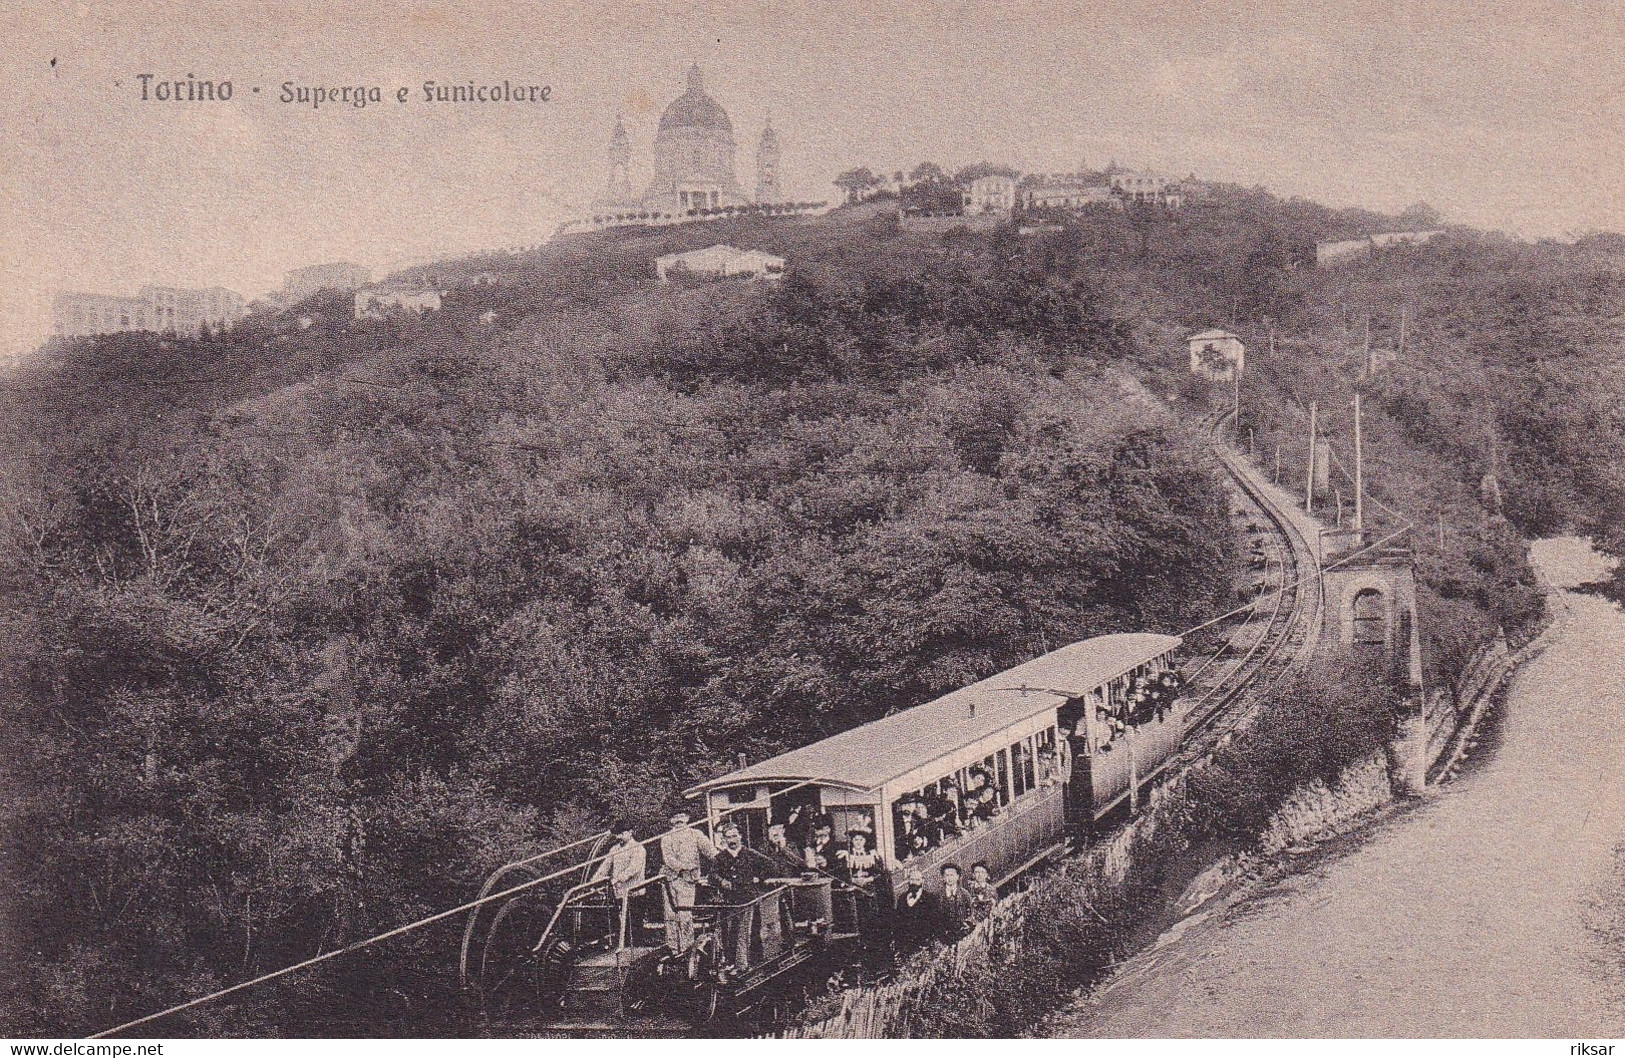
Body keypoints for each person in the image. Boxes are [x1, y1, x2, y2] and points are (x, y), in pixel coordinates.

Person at [659, 808, 716, 955]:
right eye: (675, 817)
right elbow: (669, 859)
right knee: (671, 917)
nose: (679, 820)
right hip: (670, 880)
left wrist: (725, 860)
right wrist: (684, 867)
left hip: (688, 881)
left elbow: (711, 852)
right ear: (671, 821)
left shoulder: (696, 835)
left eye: (681, 816)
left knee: (685, 915)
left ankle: (687, 949)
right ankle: (673, 949)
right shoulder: (666, 838)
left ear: (687, 817)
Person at [710, 822, 755, 972]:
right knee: (727, 932)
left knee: (743, 931)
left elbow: (771, 868)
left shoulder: (750, 854)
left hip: (746, 899)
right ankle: (729, 963)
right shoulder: (720, 858)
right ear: (724, 839)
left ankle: (742, 965)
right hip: (729, 902)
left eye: (735, 836)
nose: (732, 840)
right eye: (728, 837)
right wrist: (721, 881)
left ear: (740, 836)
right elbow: (712, 876)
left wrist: (759, 880)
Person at [891, 866, 937, 954]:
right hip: (906, 944)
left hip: (923, 942)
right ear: (908, 881)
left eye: (917, 880)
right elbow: (898, 920)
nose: (914, 883)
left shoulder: (930, 898)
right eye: (912, 879)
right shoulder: (902, 898)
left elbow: (934, 921)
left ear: (922, 881)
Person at [937, 863, 974, 939]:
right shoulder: (938, 896)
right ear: (943, 878)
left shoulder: (964, 894)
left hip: (963, 932)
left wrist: (967, 923)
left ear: (957, 877)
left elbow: (973, 910)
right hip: (945, 936)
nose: (949, 878)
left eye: (952, 875)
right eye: (947, 875)